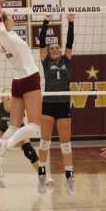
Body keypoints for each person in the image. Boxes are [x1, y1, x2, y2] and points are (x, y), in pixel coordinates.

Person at [0, 0, 42, 188]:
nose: (12, 17)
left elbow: (2, 34)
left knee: (13, 126)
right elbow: (2, 30)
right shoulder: (7, 35)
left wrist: (1, 19)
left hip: (17, 81)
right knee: (34, 126)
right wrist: (0, 11)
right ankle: (8, 144)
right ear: (5, 21)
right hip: (29, 78)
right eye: (9, 16)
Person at [37, 13, 76, 197]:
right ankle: (42, 176)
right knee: (44, 143)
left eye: (57, 48)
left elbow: (69, 44)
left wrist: (70, 23)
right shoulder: (46, 63)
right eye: (52, 48)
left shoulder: (67, 61)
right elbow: (41, 41)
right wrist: (45, 21)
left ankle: (69, 179)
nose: (54, 50)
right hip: (48, 105)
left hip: (63, 105)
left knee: (66, 145)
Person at [0, 89, 53, 189]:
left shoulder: (18, 107)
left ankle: (43, 175)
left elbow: (18, 124)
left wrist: (13, 139)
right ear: (2, 97)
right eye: (6, 94)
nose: (8, 96)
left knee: (29, 150)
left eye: (10, 94)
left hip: (18, 129)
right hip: (2, 130)